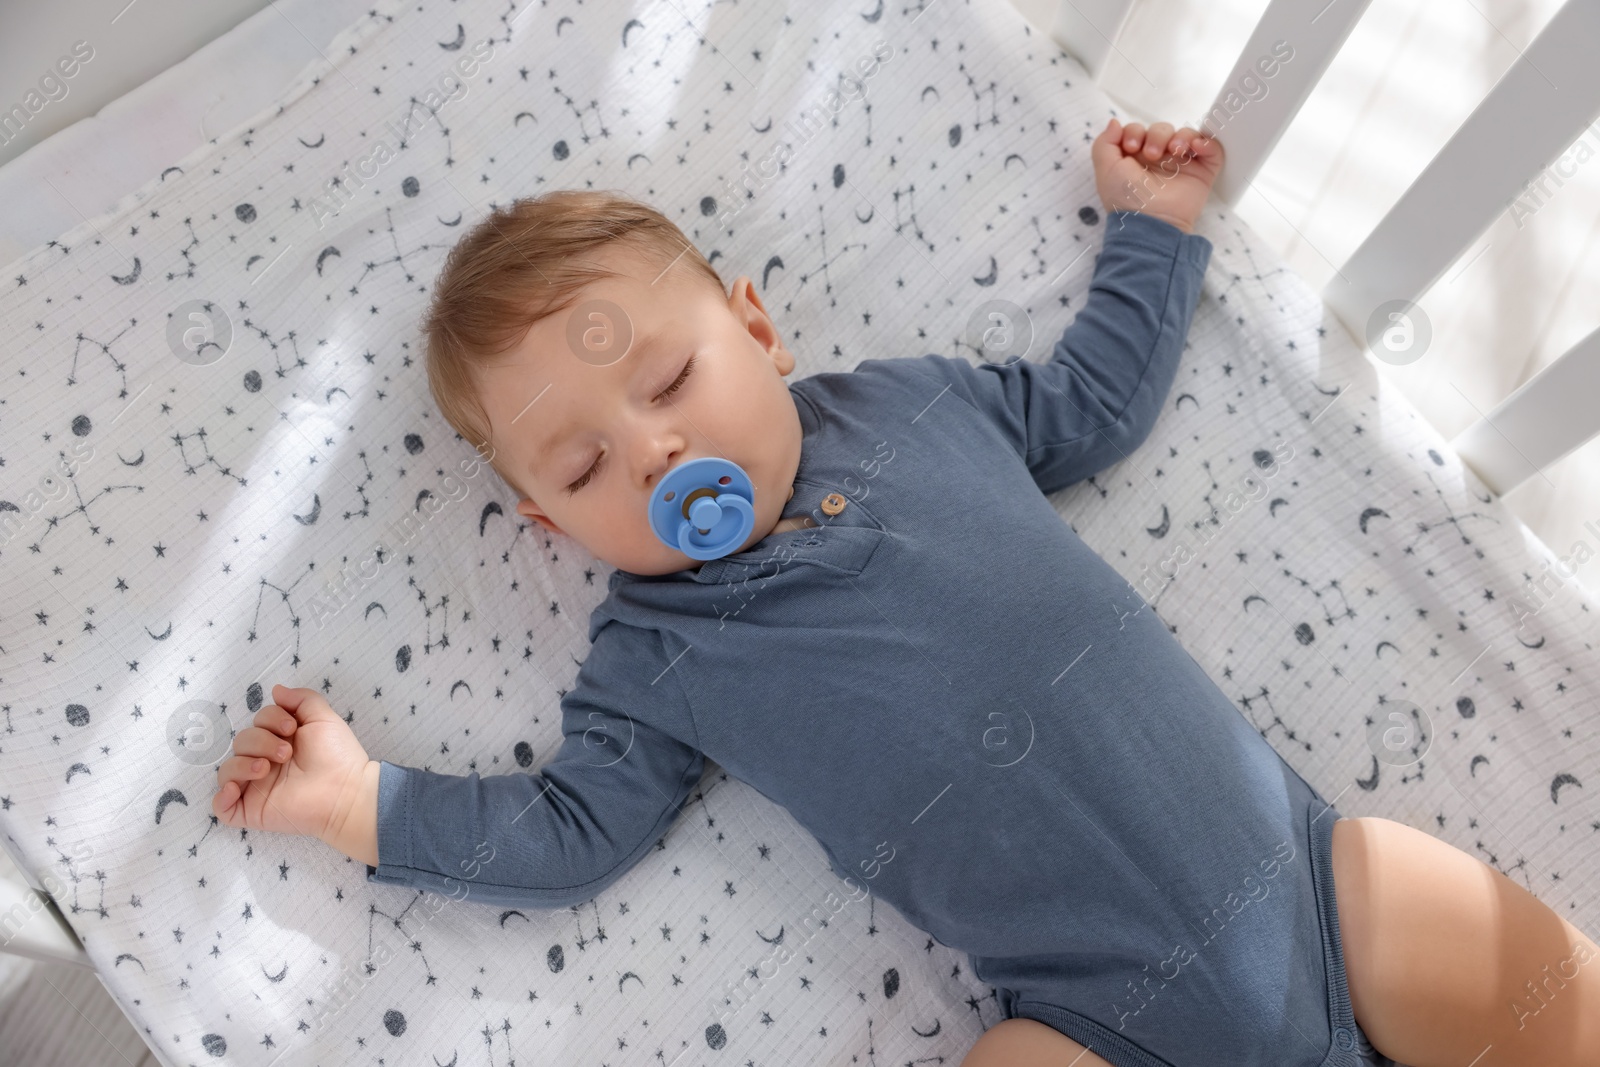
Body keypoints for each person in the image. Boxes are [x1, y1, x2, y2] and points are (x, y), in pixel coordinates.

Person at [213, 117, 1600, 1066]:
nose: (654, 451)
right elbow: (573, 833)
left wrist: (1153, 231)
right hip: (1096, 1024)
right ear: (545, 519)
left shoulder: (917, 408)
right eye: (583, 466)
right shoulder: (653, 655)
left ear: (755, 327)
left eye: (674, 381)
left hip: (1312, 895)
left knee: (1530, 986)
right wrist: (359, 805)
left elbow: (1091, 408)